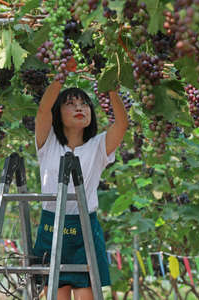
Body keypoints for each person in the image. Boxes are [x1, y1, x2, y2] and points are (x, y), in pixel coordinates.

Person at [33, 75, 129, 300]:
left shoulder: (98, 146)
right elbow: (42, 112)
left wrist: (111, 88)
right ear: (59, 113)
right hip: (51, 227)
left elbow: (122, 124)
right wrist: (59, 78)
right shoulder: (48, 143)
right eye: (70, 104)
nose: (79, 108)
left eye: (84, 104)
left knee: (88, 295)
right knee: (56, 295)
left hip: (84, 229)